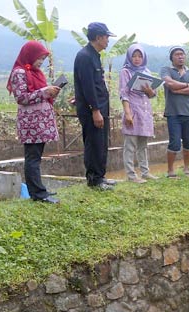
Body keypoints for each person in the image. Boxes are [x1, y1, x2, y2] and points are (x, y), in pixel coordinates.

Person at [7, 40, 61, 204]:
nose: (40, 62)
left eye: (43, 60)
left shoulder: (36, 73)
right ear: (30, 55)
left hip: (40, 123)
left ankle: (39, 191)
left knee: (36, 158)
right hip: (31, 125)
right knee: (32, 158)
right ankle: (38, 194)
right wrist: (45, 92)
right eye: (39, 59)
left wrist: (50, 92)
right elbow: (21, 97)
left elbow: (39, 94)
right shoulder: (19, 73)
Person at [74, 22, 115, 190]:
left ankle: (100, 176)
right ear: (98, 37)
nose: (108, 41)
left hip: (100, 107)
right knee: (94, 143)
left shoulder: (94, 55)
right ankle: (93, 180)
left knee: (101, 142)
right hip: (93, 110)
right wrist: (95, 110)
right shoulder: (84, 56)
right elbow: (88, 86)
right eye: (106, 37)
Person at [119, 44, 158, 183]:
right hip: (133, 110)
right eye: (134, 56)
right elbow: (124, 94)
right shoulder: (126, 71)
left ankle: (145, 172)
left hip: (145, 111)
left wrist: (150, 92)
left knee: (143, 144)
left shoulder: (146, 71)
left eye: (139, 56)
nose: (137, 59)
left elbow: (153, 94)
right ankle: (131, 175)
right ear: (129, 57)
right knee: (130, 145)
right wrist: (128, 113)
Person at [160, 46, 189, 178]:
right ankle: (170, 171)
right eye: (177, 54)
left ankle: (186, 168)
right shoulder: (166, 70)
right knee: (174, 142)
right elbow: (169, 84)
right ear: (172, 57)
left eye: (182, 54)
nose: (180, 57)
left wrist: (179, 90)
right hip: (173, 113)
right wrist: (187, 86)